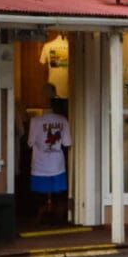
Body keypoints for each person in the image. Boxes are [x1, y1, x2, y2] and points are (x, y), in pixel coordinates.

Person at [27, 95, 72, 225]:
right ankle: (58, 216)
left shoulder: (35, 121)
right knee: (58, 194)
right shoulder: (63, 120)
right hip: (57, 164)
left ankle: (40, 217)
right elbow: (67, 142)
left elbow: (30, 142)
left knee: (40, 195)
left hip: (40, 164)